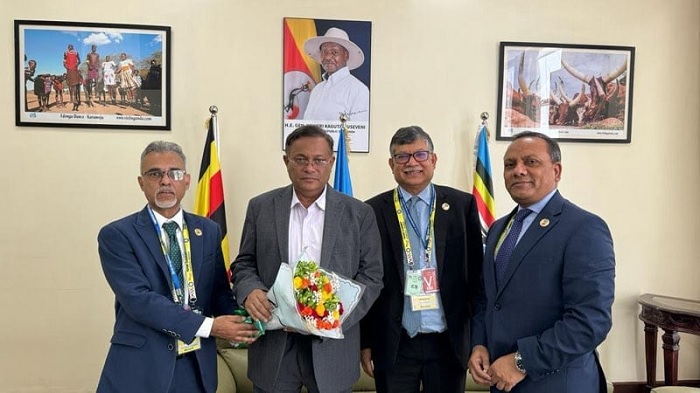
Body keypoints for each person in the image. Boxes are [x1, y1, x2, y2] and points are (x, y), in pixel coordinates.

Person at [97, 141, 260, 393]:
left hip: (195, 367)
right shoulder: (117, 235)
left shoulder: (207, 230)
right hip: (141, 366)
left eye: (174, 173)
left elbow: (218, 291)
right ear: (142, 183)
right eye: (154, 173)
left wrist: (251, 320)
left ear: (186, 180)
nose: (165, 180)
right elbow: (138, 300)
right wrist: (209, 326)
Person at [231, 125, 383, 393]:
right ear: (286, 161)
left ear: (331, 162)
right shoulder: (261, 207)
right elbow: (243, 263)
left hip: (332, 349)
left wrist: (332, 319)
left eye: (319, 160)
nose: (309, 167)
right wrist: (249, 290)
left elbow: (372, 277)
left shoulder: (359, 214)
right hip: (275, 347)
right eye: (300, 159)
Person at [468, 131, 615, 393]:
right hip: (501, 382)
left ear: (556, 171)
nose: (518, 170)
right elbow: (488, 299)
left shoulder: (584, 228)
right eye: (510, 164)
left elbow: (589, 321)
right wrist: (479, 343)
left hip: (557, 382)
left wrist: (521, 362)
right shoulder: (498, 229)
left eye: (531, 162)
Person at [360, 126, 484, 393]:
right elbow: (366, 281)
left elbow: (476, 276)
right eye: (402, 157)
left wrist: (479, 339)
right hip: (395, 342)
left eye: (420, 154)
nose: (412, 162)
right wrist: (366, 340)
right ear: (392, 164)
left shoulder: (462, 206)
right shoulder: (371, 211)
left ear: (433, 160)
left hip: (448, 341)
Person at [302, 27, 369, 122]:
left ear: (346, 55)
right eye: (324, 52)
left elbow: (358, 133)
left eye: (334, 52)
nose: (328, 57)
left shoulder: (358, 90)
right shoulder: (317, 89)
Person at [63, 44, 81, 111]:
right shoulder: (65, 53)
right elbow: (64, 62)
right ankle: (74, 101)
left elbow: (79, 61)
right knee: (71, 87)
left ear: (73, 47)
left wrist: (76, 64)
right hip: (69, 71)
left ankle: (75, 102)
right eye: (69, 46)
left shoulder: (76, 52)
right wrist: (66, 66)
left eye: (71, 46)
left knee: (75, 87)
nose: (70, 47)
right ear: (68, 47)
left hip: (75, 70)